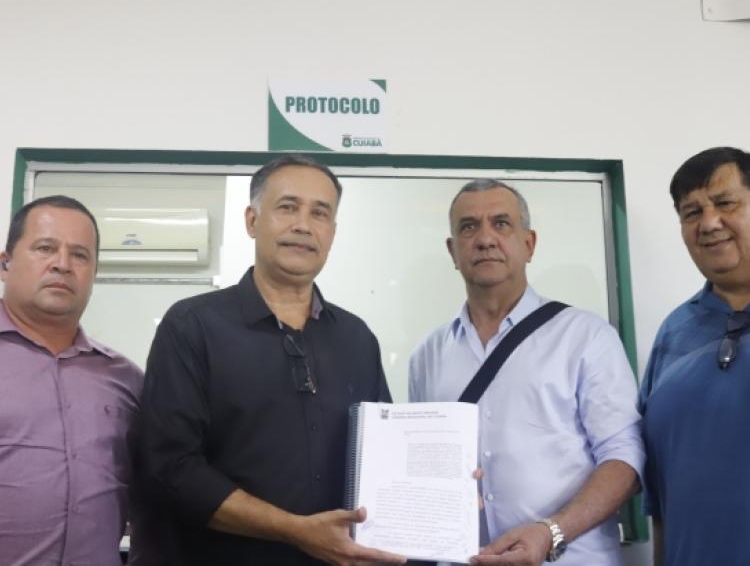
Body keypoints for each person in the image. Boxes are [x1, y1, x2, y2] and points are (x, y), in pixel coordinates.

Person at [139, 154, 405, 565]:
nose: (303, 225)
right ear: (251, 220)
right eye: (287, 207)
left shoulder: (356, 338)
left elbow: (384, 458)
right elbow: (171, 467)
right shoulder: (192, 326)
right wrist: (295, 530)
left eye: (320, 213)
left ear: (332, 233)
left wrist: (442, 488)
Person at [409, 179, 644, 566]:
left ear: (529, 244)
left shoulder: (586, 336)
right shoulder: (427, 356)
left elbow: (625, 458)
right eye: (469, 227)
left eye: (501, 223)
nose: (485, 239)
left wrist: (551, 532)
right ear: (452, 251)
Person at [0, 195, 143, 566]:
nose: (62, 264)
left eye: (80, 255)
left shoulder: (126, 380)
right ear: (5, 264)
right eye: (45, 248)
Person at [639, 146, 750, 566]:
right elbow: (660, 495)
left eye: (725, 203)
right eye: (692, 212)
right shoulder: (675, 331)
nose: (709, 223)